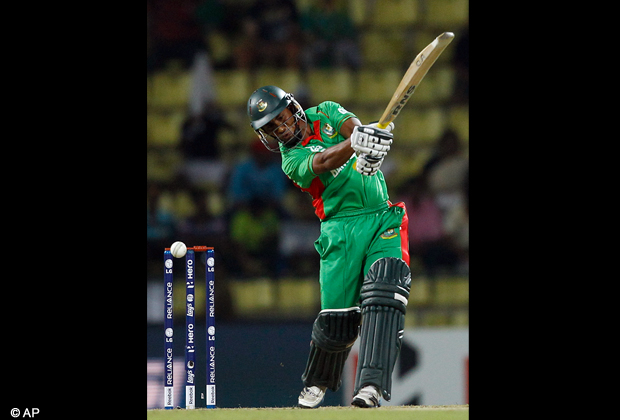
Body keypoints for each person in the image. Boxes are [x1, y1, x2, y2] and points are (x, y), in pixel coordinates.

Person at [246, 86, 411, 408]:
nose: (280, 129)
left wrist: (369, 146)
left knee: (386, 293)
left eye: (280, 119)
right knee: (339, 320)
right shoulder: (291, 160)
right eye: (271, 128)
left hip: (382, 217)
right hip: (340, 230)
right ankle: (318, 380)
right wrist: (357, 145)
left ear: (293, 109)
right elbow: (322, 161)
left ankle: (371, 387)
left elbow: (353, 128)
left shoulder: (326, 112)